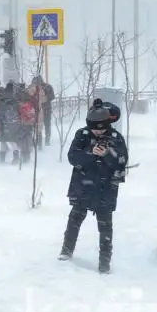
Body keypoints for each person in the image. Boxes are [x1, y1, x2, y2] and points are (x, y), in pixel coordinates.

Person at [58, 99, 129, 274]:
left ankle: (104, 262)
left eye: (102, 127)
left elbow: (121, 161)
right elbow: (73, 157)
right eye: (94, 127)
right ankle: (66, 251)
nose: (98, 131)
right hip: (82, 185)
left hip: (106, 189)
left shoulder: (115, 138)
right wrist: (91, 153)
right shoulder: (82, 135)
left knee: (105, 228)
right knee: (74, 220)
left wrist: (107, 154)